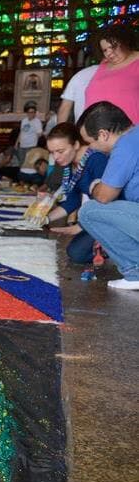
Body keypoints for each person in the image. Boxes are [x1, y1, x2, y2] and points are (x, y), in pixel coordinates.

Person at [76, 101, 139, 290]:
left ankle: (135, 271)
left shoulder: (125, 146)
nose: (91, 149)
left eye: (90, 142)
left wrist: (95, 185)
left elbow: (104, 196)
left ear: (103, 134)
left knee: (88, 211)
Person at [38, 122, 109, 267]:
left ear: (76, 145)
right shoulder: (71, 165)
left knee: (78, 253)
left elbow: (108, 200)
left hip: (111, 217)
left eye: (60, 151)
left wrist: (83, 226)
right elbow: (73, 200)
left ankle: (119, 247)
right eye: (52, 152)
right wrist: (44, 219)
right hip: (95, 217)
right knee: (75, 252)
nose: (55, 157)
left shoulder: (96, 159)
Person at [84, 24, 139, 123]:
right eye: (105, 50)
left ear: (125, 42)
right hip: (97, 131)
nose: (109, 53)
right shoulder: (104, 64)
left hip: (131, 131)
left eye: (113, 47)